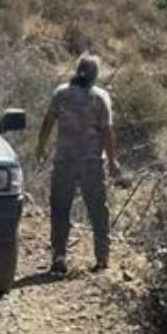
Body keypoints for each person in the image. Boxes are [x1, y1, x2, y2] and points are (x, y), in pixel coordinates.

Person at [36, 53, 120, 274]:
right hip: (91, 163)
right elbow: (107, 132)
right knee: (98, 211)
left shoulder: (61, 94)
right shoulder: (101, 97)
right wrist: (112, 161)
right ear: (95, 75)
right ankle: (102, 258)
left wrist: (41, 147)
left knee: (60, 209)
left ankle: (59, 256)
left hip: (64, 160)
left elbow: (48, 121)